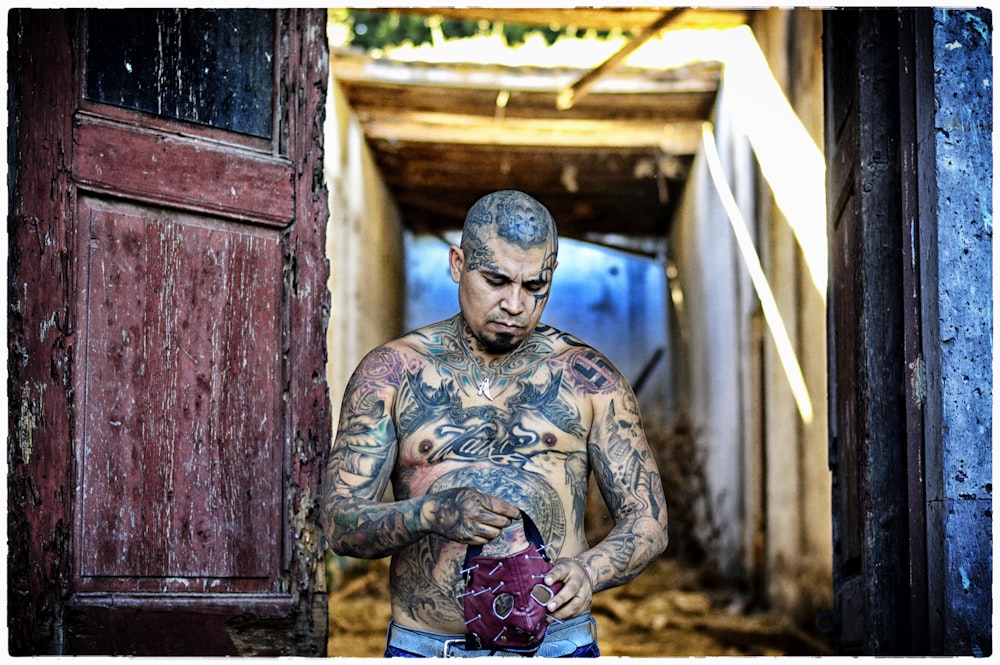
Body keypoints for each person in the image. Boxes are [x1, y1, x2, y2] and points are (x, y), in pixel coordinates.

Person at [322, 189, 668, 657]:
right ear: (457, 264)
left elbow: (647, 520)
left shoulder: (589, 379)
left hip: (557, 648)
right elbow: (340, 521)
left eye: (534, 287)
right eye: (496, 280)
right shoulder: (392, 374)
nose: (514, 305)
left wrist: (590, 571)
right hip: (427, 648)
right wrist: (433, 512)